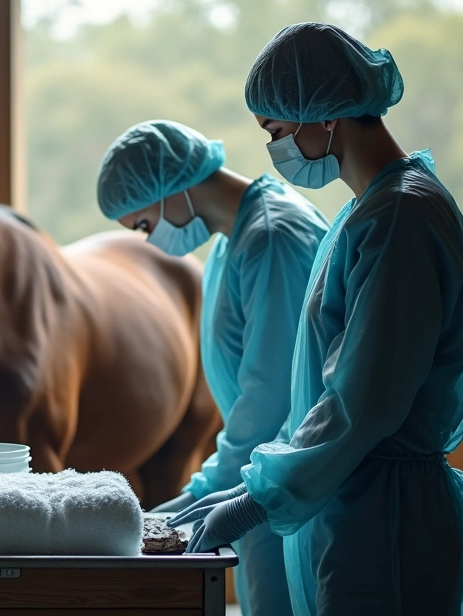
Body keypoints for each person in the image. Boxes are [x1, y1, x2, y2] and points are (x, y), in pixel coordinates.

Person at [168, 23, 463, 616]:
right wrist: (252, 487)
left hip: (387, 519)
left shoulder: (401, 216)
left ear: (326, 116)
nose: (276, 149)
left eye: (277, 131)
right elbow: (331, 392)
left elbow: (365, 399)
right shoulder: (370, 211)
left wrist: (260, 497)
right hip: (360, 506)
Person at [97, 119, 329, 615]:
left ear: (169, 185)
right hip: (259, 483)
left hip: (283, 488)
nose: (149, 240)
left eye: (143, 224)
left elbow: (272, 403)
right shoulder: (234, 240)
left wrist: (194, 497)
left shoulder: (273, 237)